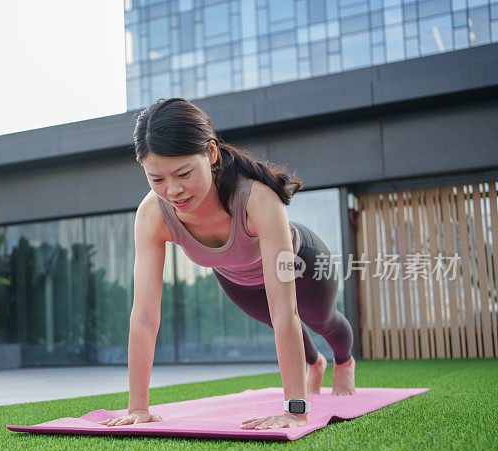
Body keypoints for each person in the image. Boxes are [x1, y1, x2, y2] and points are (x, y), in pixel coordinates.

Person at [98, 97, 356, 430]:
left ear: (211, 152)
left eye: (183, 174)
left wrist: (295, 410)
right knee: (273, 322)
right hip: (237, 278)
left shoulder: (257, 198)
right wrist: (138, 408)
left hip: (302, 261)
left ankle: (343, 361)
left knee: (320, 319)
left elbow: (285, 311)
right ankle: (314, 364)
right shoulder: (152, 214)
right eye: (156, 179)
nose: (173, 190)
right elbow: (144, 316)